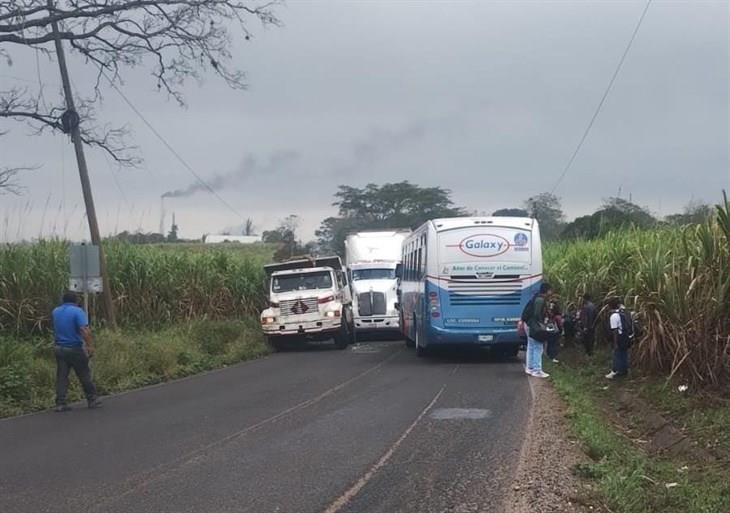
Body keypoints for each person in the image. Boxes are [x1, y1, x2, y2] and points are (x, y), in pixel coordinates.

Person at [52, 291, 102, 412]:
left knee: (62, 376)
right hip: (74, 348)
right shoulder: (78, 311)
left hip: (59, 348)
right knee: (84, 374)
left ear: (63, 300)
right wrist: (90, 346)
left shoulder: (56, 311)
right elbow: (84, 330)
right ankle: (92, 399)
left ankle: (60, 403)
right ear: (76, 301)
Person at [525, 282, 553, 378]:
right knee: (538, 347)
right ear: (547, 290)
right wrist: (542, 324)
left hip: (529, 324)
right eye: (550, 290)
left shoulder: (536, 297)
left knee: (531, 346)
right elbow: (537, 314)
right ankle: (537, 370)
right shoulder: (540, 300)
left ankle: (530, 368)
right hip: (534, 326)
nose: (551, 292)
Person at [606, 297, 629, 379]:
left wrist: (615, 343)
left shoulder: (613, 316)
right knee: (623, 354)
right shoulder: (622, 313)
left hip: (619, 337)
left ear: (609, 306)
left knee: (617, 354)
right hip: (625, 336)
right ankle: (624, 371)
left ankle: (616, 372)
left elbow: (615, 330)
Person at [545, 298, 563, 363]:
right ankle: (552, 357)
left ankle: (549, 356)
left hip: (549, 329)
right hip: (555, 331)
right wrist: (561, 330)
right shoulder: (557, 316)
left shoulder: (549, 311)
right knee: (554, 344)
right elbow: (560, 324)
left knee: (550, 343)